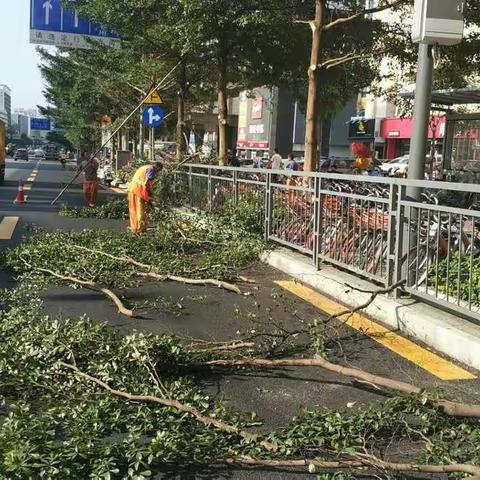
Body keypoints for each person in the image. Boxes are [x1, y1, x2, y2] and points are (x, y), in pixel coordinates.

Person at [128, 162, 163, 234]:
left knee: (134, 209)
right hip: (139, 191)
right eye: (158, 171)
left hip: (132, 189)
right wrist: (150, 196)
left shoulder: (146, 167)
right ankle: (140, 229)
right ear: (156, 168)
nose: (157, 173)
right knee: (140, 211)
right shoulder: (151, 170)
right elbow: (147, 184)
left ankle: (135, 227)